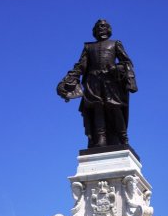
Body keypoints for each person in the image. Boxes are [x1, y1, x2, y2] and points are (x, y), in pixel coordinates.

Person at [57, 19, 138, 148]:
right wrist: (69, 79)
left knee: (115, 107)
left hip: (110, 82)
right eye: (98, 26)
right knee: (97, 108)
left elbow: (127, 63)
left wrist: (117, 68)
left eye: (104, 26)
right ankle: (101, 138)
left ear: (108, 29)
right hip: (93, 82)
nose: (101, 27)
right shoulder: (88, 47)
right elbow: (81, 66)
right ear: (94, 30)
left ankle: (122, 137)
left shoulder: (115, 44)